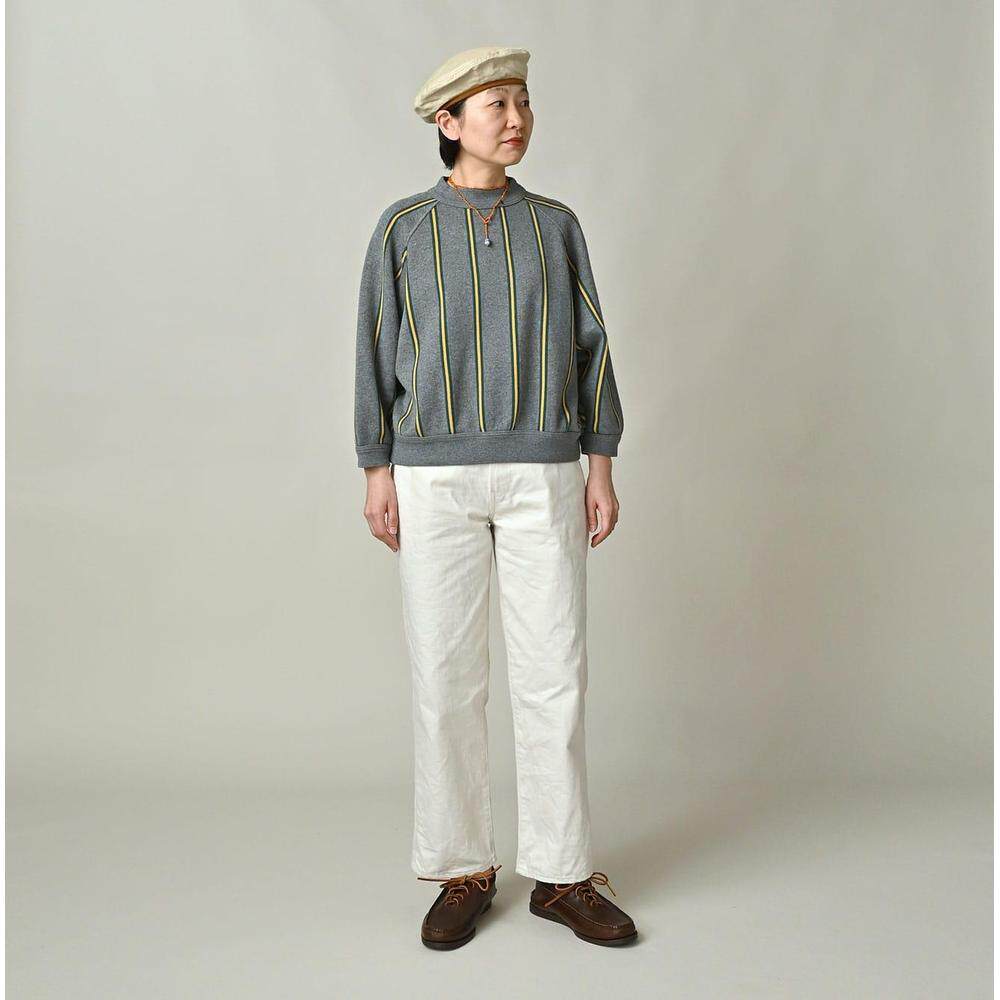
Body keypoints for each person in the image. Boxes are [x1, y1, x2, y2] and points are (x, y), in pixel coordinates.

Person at [354, 45, 637, 949]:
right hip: (431, 475)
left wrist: (599, 464)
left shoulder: (556, 225)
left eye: (523, 102)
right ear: (448, 123)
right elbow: (373, 345)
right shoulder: (403, 228)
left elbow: (593, 345)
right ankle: (462, 868)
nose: (516, 119)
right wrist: (376, 467)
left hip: (543, 471)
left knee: (555, 674)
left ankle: (561, 873)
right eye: (496, 106)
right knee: (445, 676)